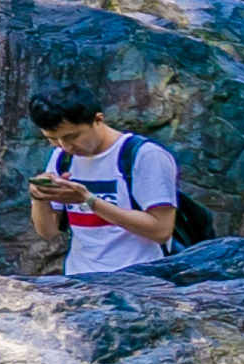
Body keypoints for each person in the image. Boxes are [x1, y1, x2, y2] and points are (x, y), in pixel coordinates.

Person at [25, 91, 179, 276]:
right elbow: (49, 232)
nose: (65, 146)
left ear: (98, 119)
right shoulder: (61, 158)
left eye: (72, 136)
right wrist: (39, 197)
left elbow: (161, 230)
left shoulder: (145, 155)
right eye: (53, 139)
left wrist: (89, 201)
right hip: (80, 279)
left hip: (140, 278)